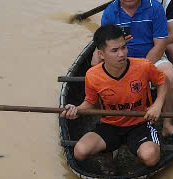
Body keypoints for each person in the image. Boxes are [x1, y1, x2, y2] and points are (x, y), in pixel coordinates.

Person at [98, 0, 173, 138]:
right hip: (121, 57)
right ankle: (111, 119)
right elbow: (105, 46)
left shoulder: (155, 8)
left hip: (152, 56)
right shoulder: (110, 13)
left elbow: (160, 45)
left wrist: (141, 69)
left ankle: (167, 124)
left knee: (171, 75)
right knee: (95, 64)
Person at [63, 25, 166, 166]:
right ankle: (109, 152)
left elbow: (162, 81)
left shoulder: (143, 66)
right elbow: (90, 103)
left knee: (150, 157)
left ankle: (138, 154)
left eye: (124, 47)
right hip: (110, 125)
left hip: (140, 123)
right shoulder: (92, 75)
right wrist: (76, 110)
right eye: (114, 50)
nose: (122, 54)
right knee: (80, 152)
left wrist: (157, 104)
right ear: (101, 54)